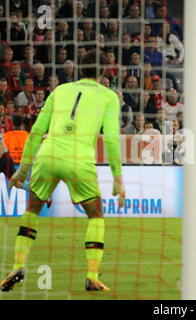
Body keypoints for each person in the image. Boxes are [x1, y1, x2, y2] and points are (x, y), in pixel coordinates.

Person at [0, 50, 125, 292]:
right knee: (96, 215)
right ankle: (91, 276)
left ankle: (17, 266)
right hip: (79, 160)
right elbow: (110, 138)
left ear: (80, 69)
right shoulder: (109, 97)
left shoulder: (59, 91)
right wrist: (118, 177)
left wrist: (24, 169)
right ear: (103, 72)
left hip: (48, 156)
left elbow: (36, 131)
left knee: (32, 211)